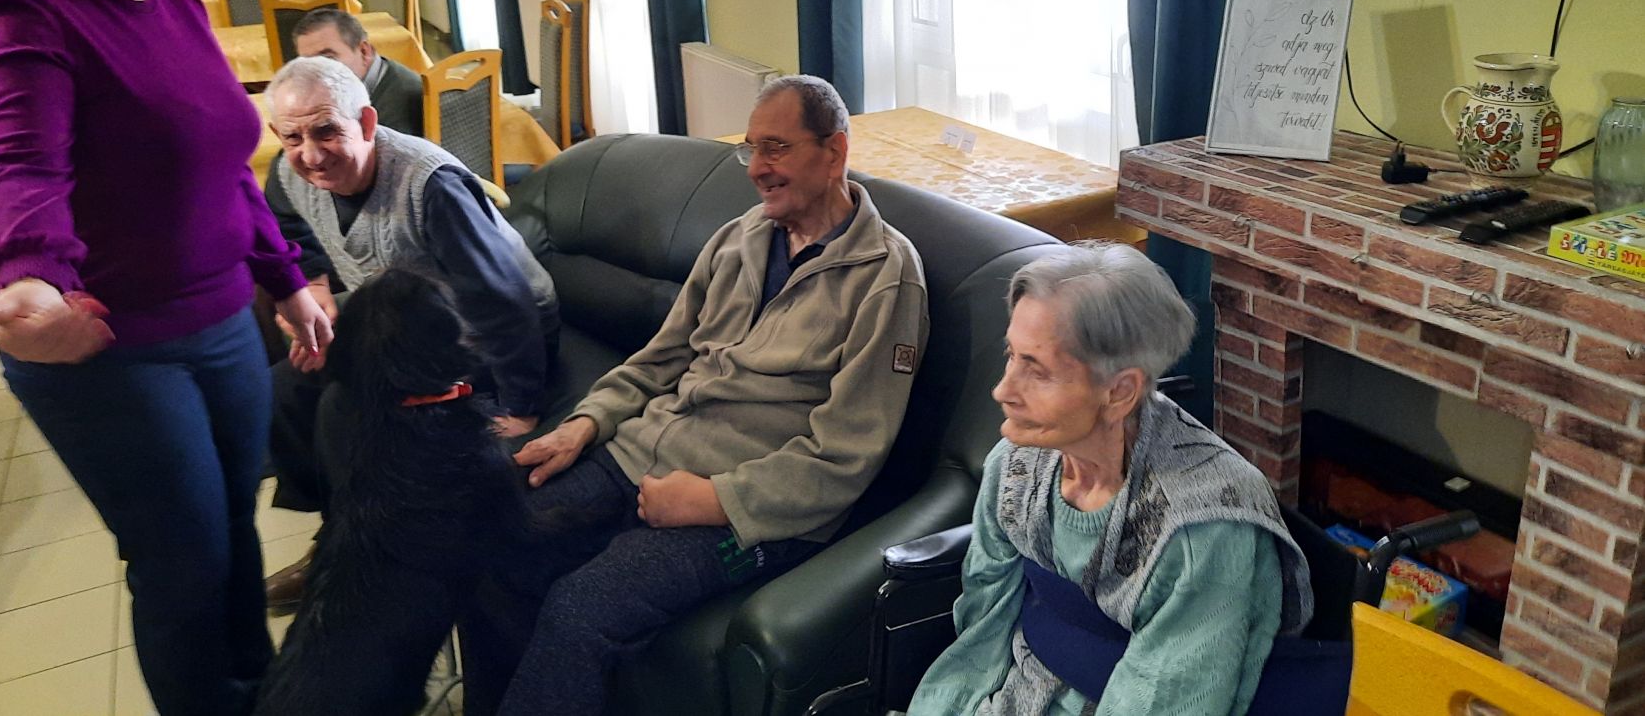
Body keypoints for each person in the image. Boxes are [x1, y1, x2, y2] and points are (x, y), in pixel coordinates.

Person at [0, 0, 332, 716]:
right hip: (110, 347)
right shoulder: (25, 15)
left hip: (223, 323)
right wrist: (30, 274)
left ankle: (259, 695)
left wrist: (284, 282)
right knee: (181, 563)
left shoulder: (180, 8)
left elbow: (225, 169)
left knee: (232, 527)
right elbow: (21, 166)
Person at [460, 75, 931, 716]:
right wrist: (586, 423)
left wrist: (716, 499)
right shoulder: (739, 238)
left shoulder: (886, 278)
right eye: (750, 149)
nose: (757, 168)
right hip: (641, 452)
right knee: (488, 540)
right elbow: (662, 358)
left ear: (834, 152)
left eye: (776, 147)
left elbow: (845, 456)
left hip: (752, 508)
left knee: (582, 607)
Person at [906, 243, 1315, 716]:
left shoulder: (1201, 533)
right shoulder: (1016, 465)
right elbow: (980, 633)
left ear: (1120, 392)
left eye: (1037, 371)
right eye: (1011, 356)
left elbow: (1166, 704)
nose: (1003, 390)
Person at [259, 55, 558, 607]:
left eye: (327, 131)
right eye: (294, 137)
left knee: (345, 406)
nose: (311, 153)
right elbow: (287, 223)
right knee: (281, 391)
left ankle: (365, 555)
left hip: (484, 331)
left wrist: (521, 406)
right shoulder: (289, 170)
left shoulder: (432, 185)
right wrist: (316, 285)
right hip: (401, 319)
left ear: (367, 122)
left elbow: (503, 302)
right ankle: (338, 536)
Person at [291, 7, 426, 136]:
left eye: (328, 59)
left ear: (364, 52)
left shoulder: (401, 105)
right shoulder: (341, 86)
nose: (317, 72)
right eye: (308, 63)